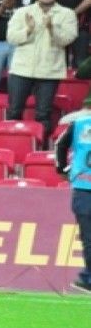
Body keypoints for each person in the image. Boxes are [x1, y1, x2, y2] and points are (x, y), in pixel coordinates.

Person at [6, 0, 77, 144]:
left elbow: (67, 39)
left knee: (43, 114)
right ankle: (13, 144)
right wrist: (29, 29)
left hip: (49, 71)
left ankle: (41, 148)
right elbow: (11, 38)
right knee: (14, 110)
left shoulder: (67, 14)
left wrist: (52, 28)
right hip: (21, 70)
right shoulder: (23, 12)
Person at [55, 91, 91, 294]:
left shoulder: (78, 124)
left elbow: (60, 145)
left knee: (88, 236)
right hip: (83, 188)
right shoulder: (78, 124)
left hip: (83, 186)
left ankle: (89, 278)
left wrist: (62, 169)